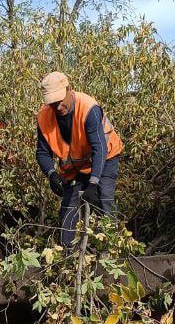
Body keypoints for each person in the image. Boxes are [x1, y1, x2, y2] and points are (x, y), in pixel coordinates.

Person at [35, 71, 123, 247]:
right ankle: (69, 256)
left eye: (60, 101)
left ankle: (108, 252)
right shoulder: (44, 117)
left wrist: (93, 183)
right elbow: (42, 153)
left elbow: (99, 148)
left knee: (103, 201)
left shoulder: (88, 108)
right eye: (52, 104)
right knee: (68, 211)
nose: (57, 107)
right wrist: (52, 174)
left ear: (69, 89)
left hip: (104, 159)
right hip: (75, 168)